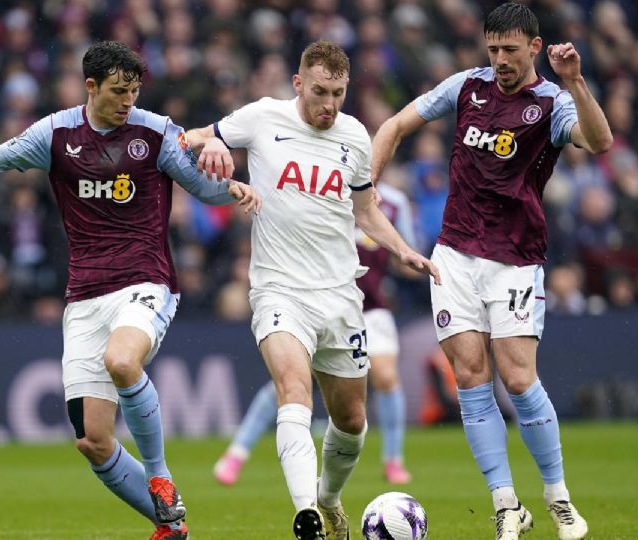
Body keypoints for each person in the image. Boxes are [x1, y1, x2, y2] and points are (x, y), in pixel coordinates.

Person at [0, 41, 260, 540]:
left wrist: (229, 180)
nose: (128, 101)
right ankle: (171, 525)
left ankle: (161, 477)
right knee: (94, 442)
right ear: (91, 87)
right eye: (119, 91)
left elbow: (204, 189)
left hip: (145, 280)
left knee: (123, 362)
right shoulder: (57, 134)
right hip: (84, 296)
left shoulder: (155, 132)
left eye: (134, 90)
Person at [370, 4, 611, 540]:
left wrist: (576, 83)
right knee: (471, 378)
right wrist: (364, 193)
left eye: (510, 50)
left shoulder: (552, 102)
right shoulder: (465, 86)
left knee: (520, 378)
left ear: (533, 46)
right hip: (454, 254)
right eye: (493, 49)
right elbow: (394, 124)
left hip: (516, 259)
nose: (500, 60)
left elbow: (599, 142)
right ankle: (506, 505)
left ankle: (558, 497)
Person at [187, 40, 439, 540]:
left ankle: (327, 499)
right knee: (294, 390)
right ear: (298, 84)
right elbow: (190, 137)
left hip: (342, 296)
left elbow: (366, 213)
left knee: (351, 421)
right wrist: (211, 141)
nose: (329, 104)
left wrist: (401, 249)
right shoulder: (263, 117)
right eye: (320, 92)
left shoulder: (354, 137)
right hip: (279, 289)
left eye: (339, 94)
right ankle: (306, 513)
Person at [212, 181, 420, 487]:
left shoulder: (393, 202)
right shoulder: (322, 188)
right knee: (291, 381)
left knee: (386, 377)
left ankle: (393, 460)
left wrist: (411, 261)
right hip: (319, 302)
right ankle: (237, 452)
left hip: (371, 307)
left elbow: (403, 252)